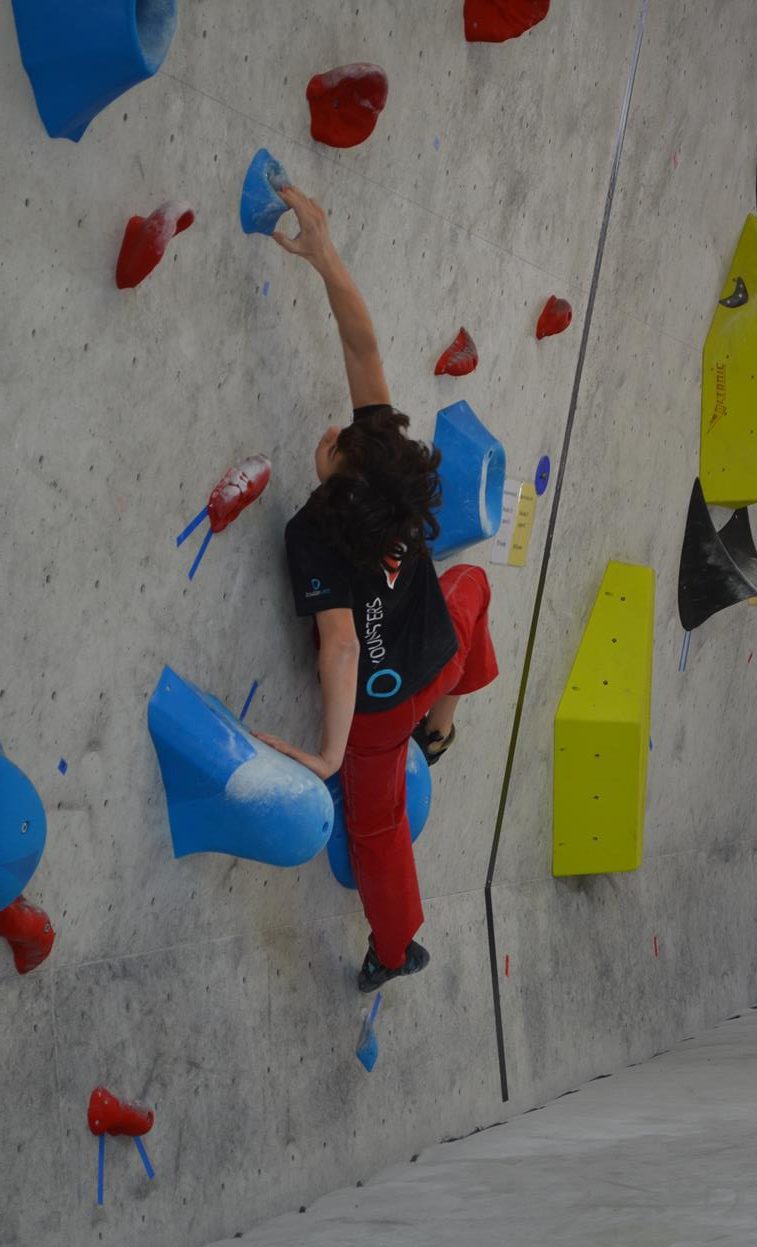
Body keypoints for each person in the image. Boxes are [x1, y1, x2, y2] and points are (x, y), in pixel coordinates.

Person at [254, 186, 498, 993]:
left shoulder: (311, 534)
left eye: (337, 447)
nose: (330, 436)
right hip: (440, 650)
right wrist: (324, 255)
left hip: (382, 710)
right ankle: (448, 724)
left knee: (378, 827)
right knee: (471, 585)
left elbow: (340, 643)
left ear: (342, 488)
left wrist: (332, 749)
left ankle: (396, 949)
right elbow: (361, 348)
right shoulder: (389, 471)